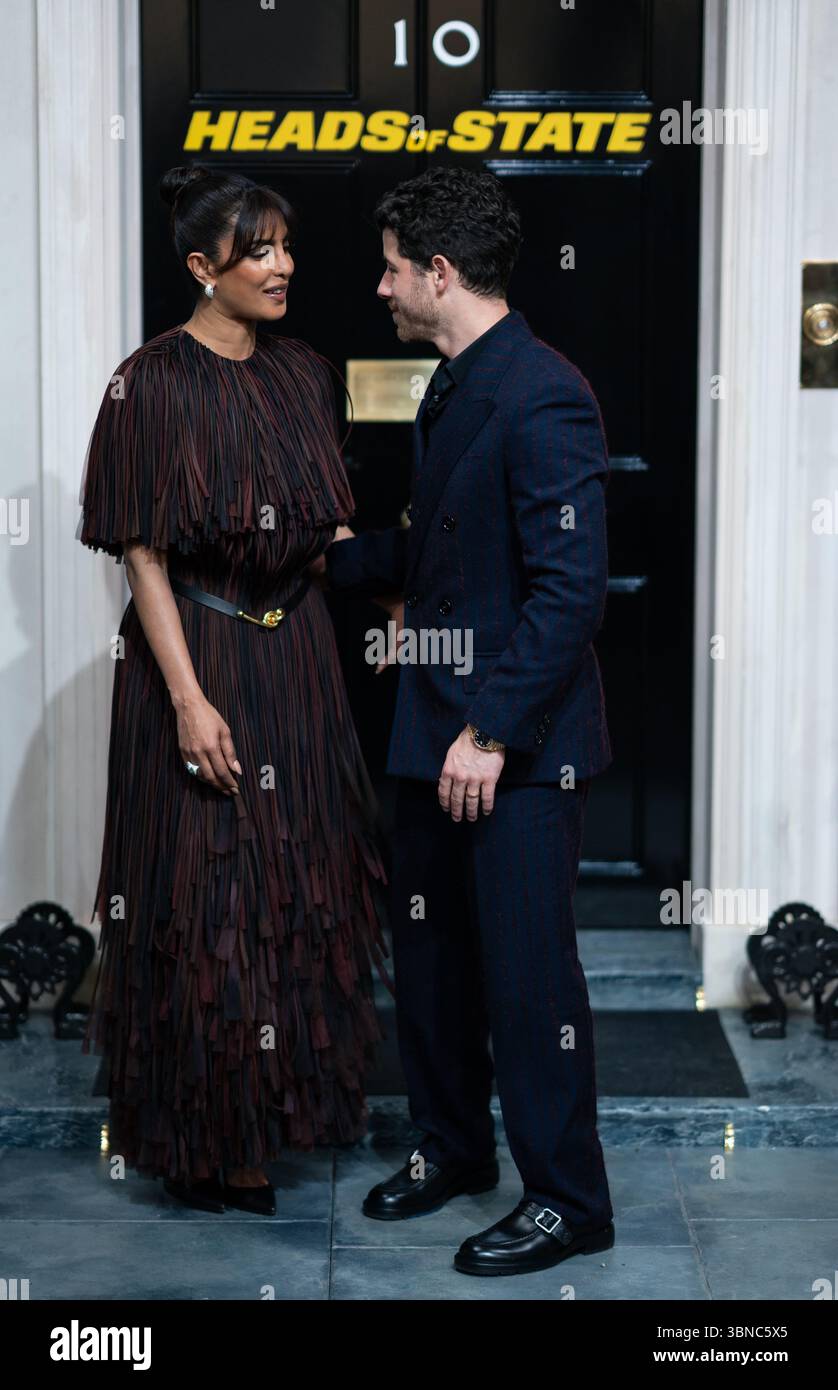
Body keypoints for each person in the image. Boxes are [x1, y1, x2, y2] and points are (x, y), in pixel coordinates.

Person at [76, 164, 392, 1216]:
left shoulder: (305, 371)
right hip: (199, 660)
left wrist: (394, 589)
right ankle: (202, 1137)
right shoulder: (147, 383)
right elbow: (142, 551)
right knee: (203, 899)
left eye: (287, 245)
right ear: (201, 266)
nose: (283, 265)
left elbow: (326, 528)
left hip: (296, 661)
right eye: (257, 250)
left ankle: (272, 1117)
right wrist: (185, 697)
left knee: (294, 890)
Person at [322, 166, 615, 1276]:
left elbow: (567, 592)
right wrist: (336, 557)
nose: (382, 287)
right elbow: (448, 554)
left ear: (439, 271)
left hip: (516, 749)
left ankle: (568, 1198)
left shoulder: (543, 390)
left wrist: (489, 732)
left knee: (528, 976)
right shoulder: (450, 384)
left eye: (394, 267)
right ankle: (452, 1148)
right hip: (428, 727)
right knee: (433, 959)